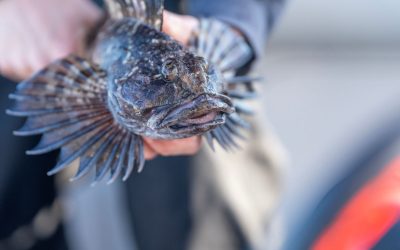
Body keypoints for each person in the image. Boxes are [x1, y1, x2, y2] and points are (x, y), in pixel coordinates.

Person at [0, 0, 286, 249]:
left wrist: (231, 26)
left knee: (206, 226)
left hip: (187, 25)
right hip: (20, 35)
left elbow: (221, 49)